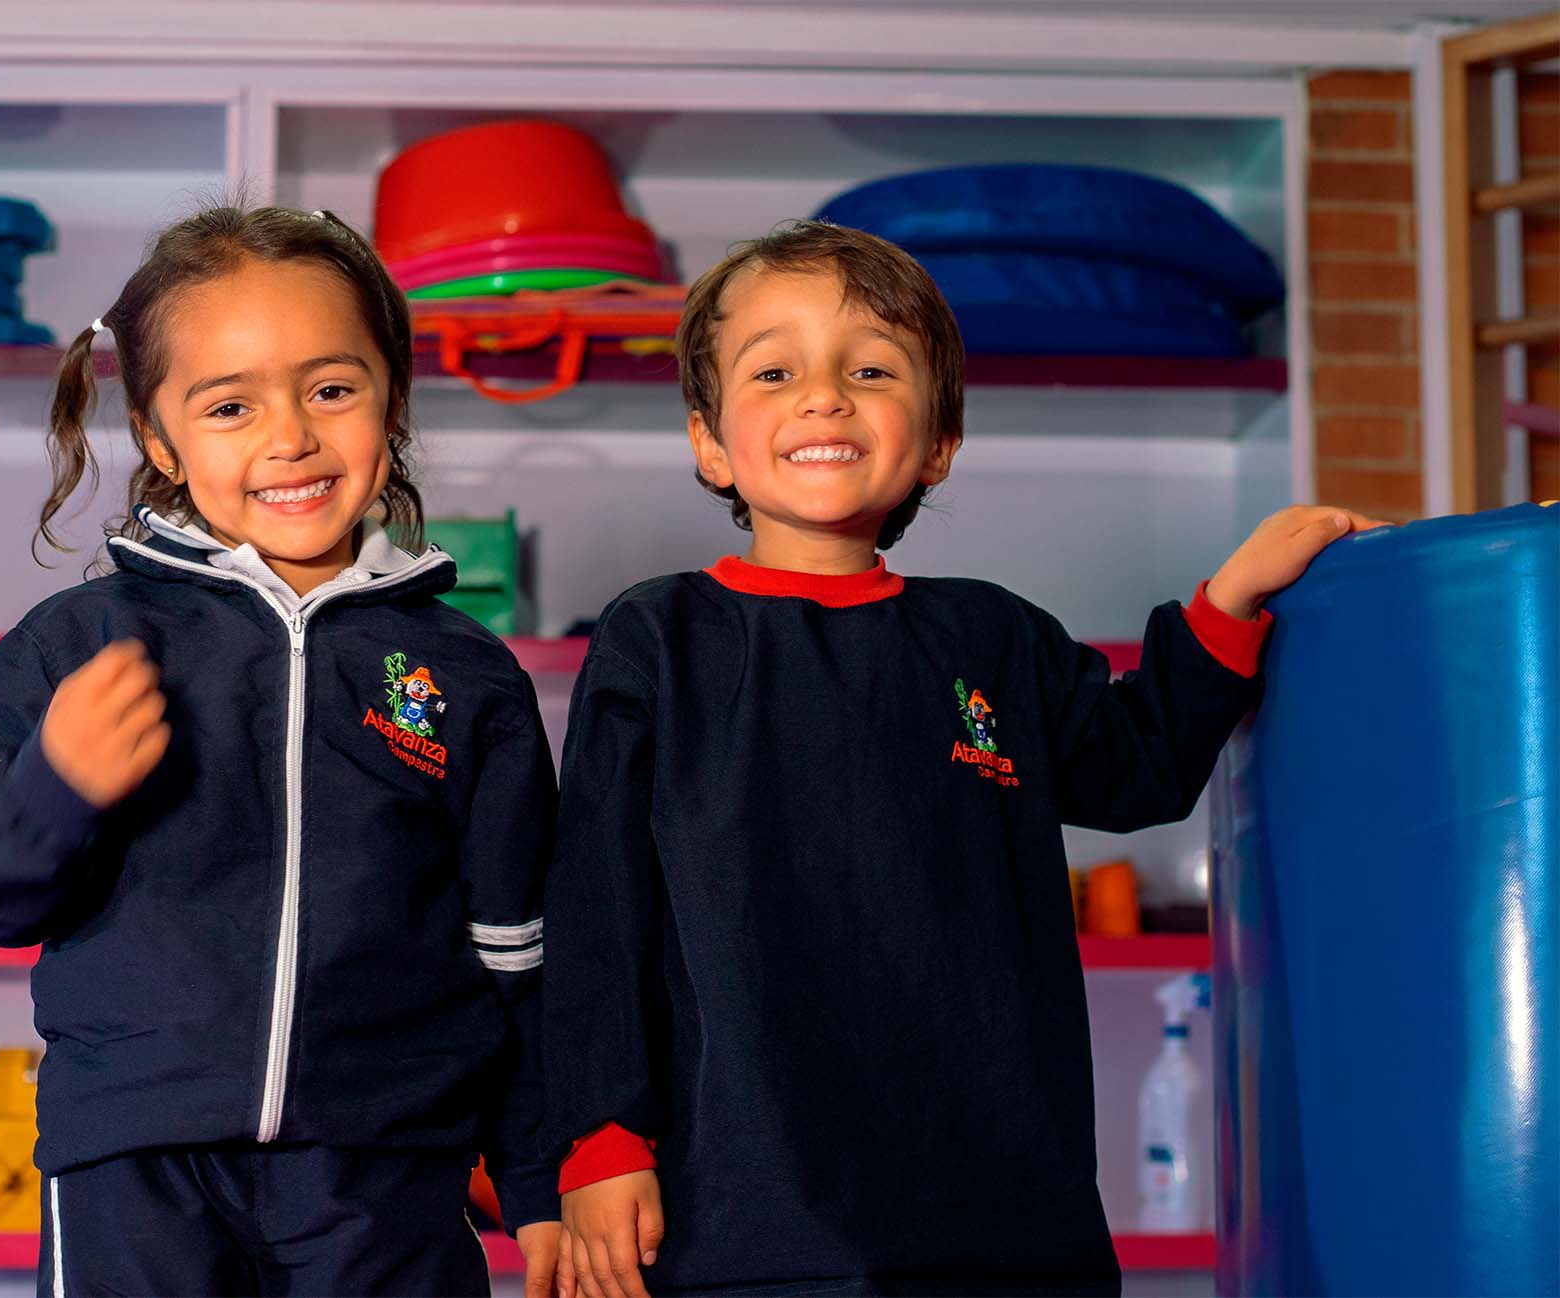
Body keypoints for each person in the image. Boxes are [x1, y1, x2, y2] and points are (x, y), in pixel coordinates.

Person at [544, 219, 1382, 1298]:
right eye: (776, 371)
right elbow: (596, 905)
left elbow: (1138, 768)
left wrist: (1229, 599)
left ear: (939, 441)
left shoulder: (996, 636)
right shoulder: (658, 637)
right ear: (710, 443)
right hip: (747, 1220)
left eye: (871, 370)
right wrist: (602, 1133)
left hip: (1006, 1221)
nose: (825, 398)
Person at [0, 206, 561, 1297]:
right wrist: (53, 789)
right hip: (135, 1161)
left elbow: (517, 960)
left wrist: (539, 1183)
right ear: (160, 439)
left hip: (388, 1171)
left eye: (332, 389)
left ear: (393, 399)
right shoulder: (77, 642)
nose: (290, 437)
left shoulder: (468, 674)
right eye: (230, 405)